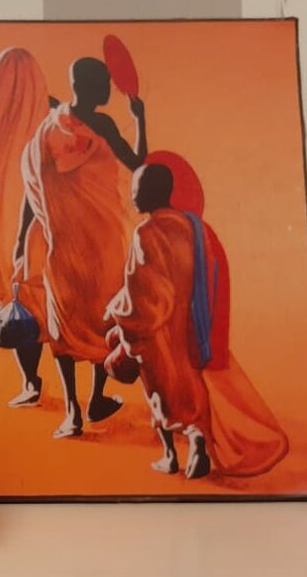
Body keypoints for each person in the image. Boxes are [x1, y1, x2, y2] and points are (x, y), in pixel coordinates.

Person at [104, 159, 289, 478]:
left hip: (157, 332)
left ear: (153, 193)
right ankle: (197, 440)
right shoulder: (190, 226)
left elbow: (143, 290)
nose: (133, 196)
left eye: (137, 190)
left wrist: (117, 312)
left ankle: (170, 455)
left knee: (160, 393)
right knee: (191, 389)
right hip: (188, 326)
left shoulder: (146, 232)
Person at [18, 57, 147, 438]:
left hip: (72, 244)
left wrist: (22, 241)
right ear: (84, 85)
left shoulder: (48, 130)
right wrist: (139, 119)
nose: (108, 89)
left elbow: (32, 192)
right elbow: (138, 163)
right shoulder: (93, 126)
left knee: (72, 323)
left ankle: (79, 409)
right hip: (94, 242)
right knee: (92, 320)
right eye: (104, 82)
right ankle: (87, 403)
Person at [0, 47, 54, 406]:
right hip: (38, 209)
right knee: (44, 289)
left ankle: (31, 383)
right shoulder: (52, 109)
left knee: (10, 293)